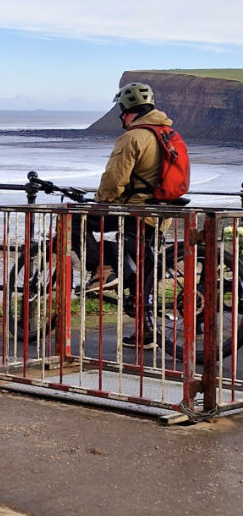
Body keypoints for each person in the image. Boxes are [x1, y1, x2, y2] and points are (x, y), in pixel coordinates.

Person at [90, 82, 181, 347]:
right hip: (161, 211)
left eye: (121, 110)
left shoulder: (133, 137)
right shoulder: (167, 132)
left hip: (137, 210)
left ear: (127, 110)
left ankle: (102, 270)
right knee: (141, 268)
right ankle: (146, 332)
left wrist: (100, 202)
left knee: (76, 221)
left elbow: (113, 181)